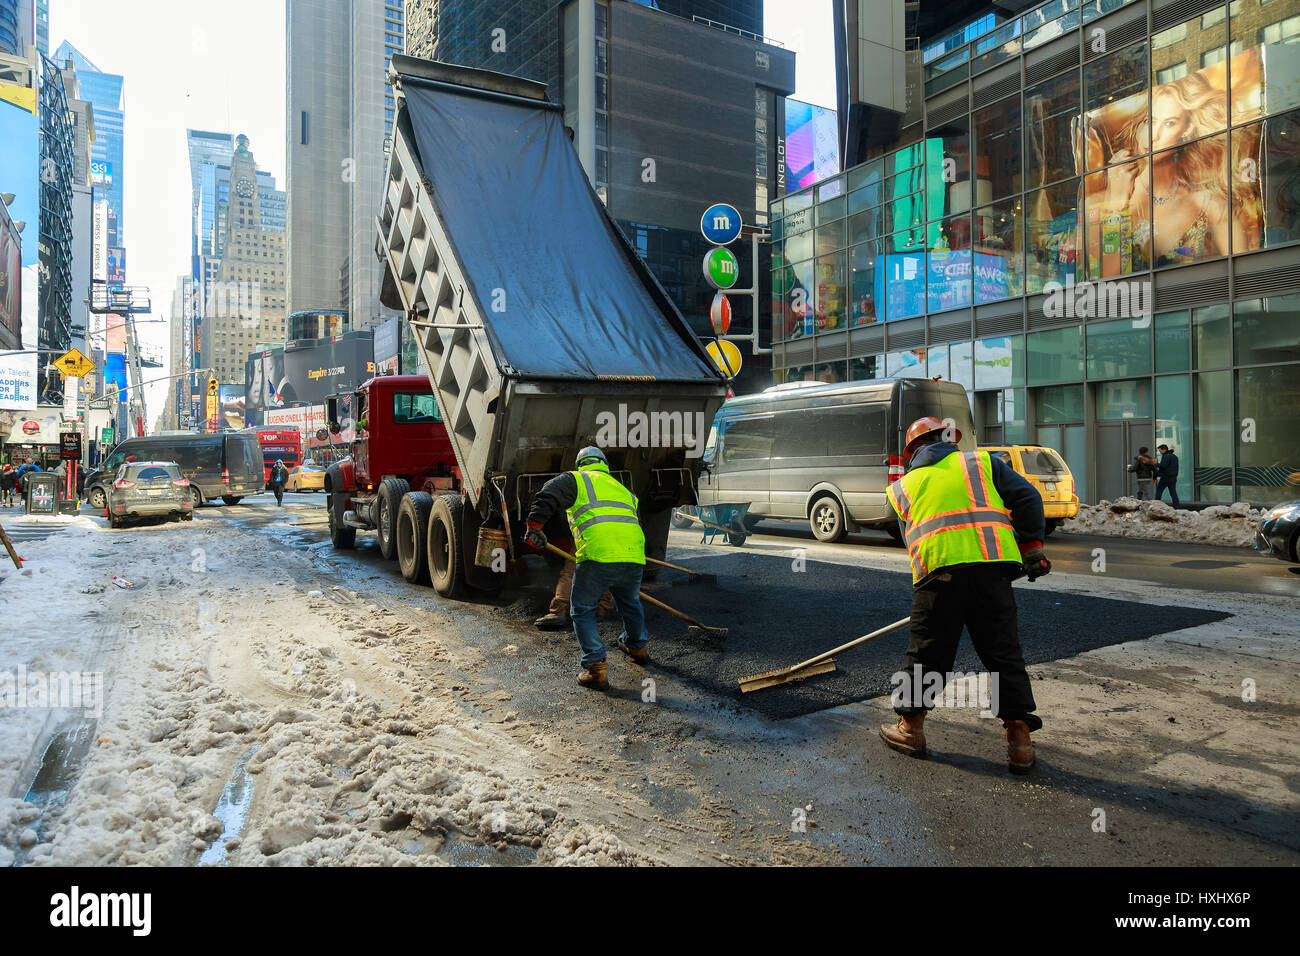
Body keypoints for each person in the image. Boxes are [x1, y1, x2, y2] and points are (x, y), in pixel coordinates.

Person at [881, 417, 1050, 774]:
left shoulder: (902, 487)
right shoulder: (982, 462)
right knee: (1004, 653)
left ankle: (911, 729)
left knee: (928, 651)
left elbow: (910, 536)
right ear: (949, 439)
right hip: (992, 571)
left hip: (938, 576)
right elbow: (1028, 497)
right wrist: (1031, 545)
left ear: (911, 451)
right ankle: (1019, 741)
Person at [523, 446, 649, 690]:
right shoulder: (624, 490)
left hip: (597, 555)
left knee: (582, 610)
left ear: (581, 464)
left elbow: (547, 495)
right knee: (630, 603)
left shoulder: (576, 479)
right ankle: (637, 647)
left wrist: (534, 527)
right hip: (634, 554)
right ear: (604, 464)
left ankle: (596, 668)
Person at [1156, 444, 1180, 508]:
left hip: (1165, 477)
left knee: (1159, 491)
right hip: (1173, 478)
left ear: (1164, 449)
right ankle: (1176, 507)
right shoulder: (1175, 456)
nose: (1160, 452)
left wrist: (1156, 463)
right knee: (1173, 493)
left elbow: (1163, 466)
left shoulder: (1166, 456)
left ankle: (1156, 506)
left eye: (1160, 450)